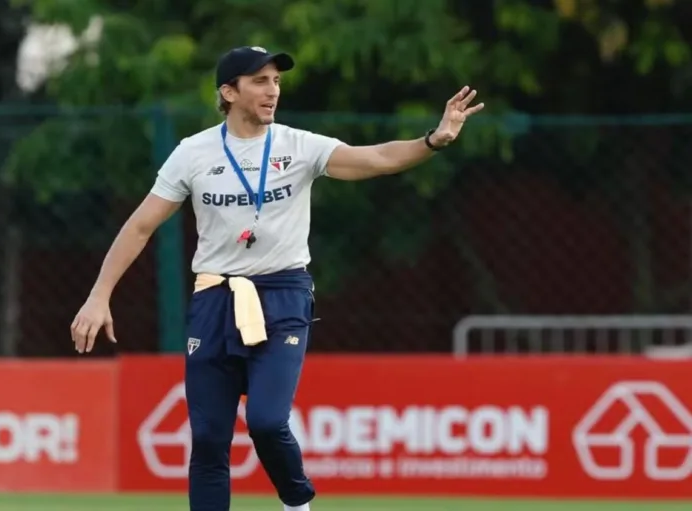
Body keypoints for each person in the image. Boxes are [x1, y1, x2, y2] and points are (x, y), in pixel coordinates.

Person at [70, 46, 484, 511]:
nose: (273, 91)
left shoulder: (297, 145)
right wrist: (98, 296)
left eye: (276, 82)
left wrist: (433, 140)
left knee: (266, 421)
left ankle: (296, 503)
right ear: (229, 91)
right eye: (260, 81)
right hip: (215, 298)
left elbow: (377, 159)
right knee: (208, 439)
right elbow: (140, 225)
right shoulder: (193, 153)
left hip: (283, 295)